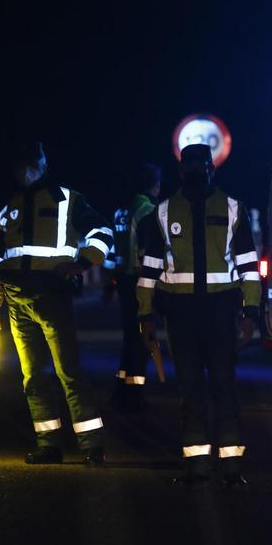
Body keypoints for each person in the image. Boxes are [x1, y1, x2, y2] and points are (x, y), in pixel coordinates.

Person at [0, 140, 115, 466]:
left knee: (68, 371)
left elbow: (104, 232)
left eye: (30, 164)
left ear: (41, 165)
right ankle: (49, 444)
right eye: (20, 165)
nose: (24, 171)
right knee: (33, 376)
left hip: (53, 297)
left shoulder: (67, 199)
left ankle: (91, 445)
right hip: (16, 301)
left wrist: (82, 264)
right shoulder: (9, 207)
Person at [136, 144, 260, 486]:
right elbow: (149, 270)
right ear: (181, 171)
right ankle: (198, 463)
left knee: (223, 386)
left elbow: (249, 267)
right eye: (191, 166)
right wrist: (145, 315)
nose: (196, 172)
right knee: (191, 389)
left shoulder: (233, 209)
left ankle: (231, 465)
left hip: (221, 311)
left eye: (201, 166)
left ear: (212, 169)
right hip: (181, 314)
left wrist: (250, 311)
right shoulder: (162, 212)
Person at [105, 162, 161, 412]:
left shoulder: (121, 212)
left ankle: (121, 390)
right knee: (141, 339)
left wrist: (110, 283)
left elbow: (112, 251)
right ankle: (134, 394)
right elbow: (146, 252)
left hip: (123, 280)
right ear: (155, 185)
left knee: (131, 337)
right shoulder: (148, 210)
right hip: (141, 281)